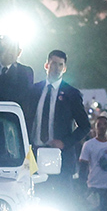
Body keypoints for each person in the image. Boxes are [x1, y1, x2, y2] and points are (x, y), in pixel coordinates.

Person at [30, 50, 91, 191]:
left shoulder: (71, 94)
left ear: (64, 68)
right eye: (53, 64)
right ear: (46, 65)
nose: (56, 68)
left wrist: (64, 142)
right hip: (34, 154)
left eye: (60, 65)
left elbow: (85, 126)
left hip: (59, 156)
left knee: (61, 201)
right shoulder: (34, 91)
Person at [0, 37, 34, 107]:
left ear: (19, 52)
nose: (8, 52)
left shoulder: (25, 72)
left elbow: (17, 96)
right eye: (5, 48)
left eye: (12, 49)